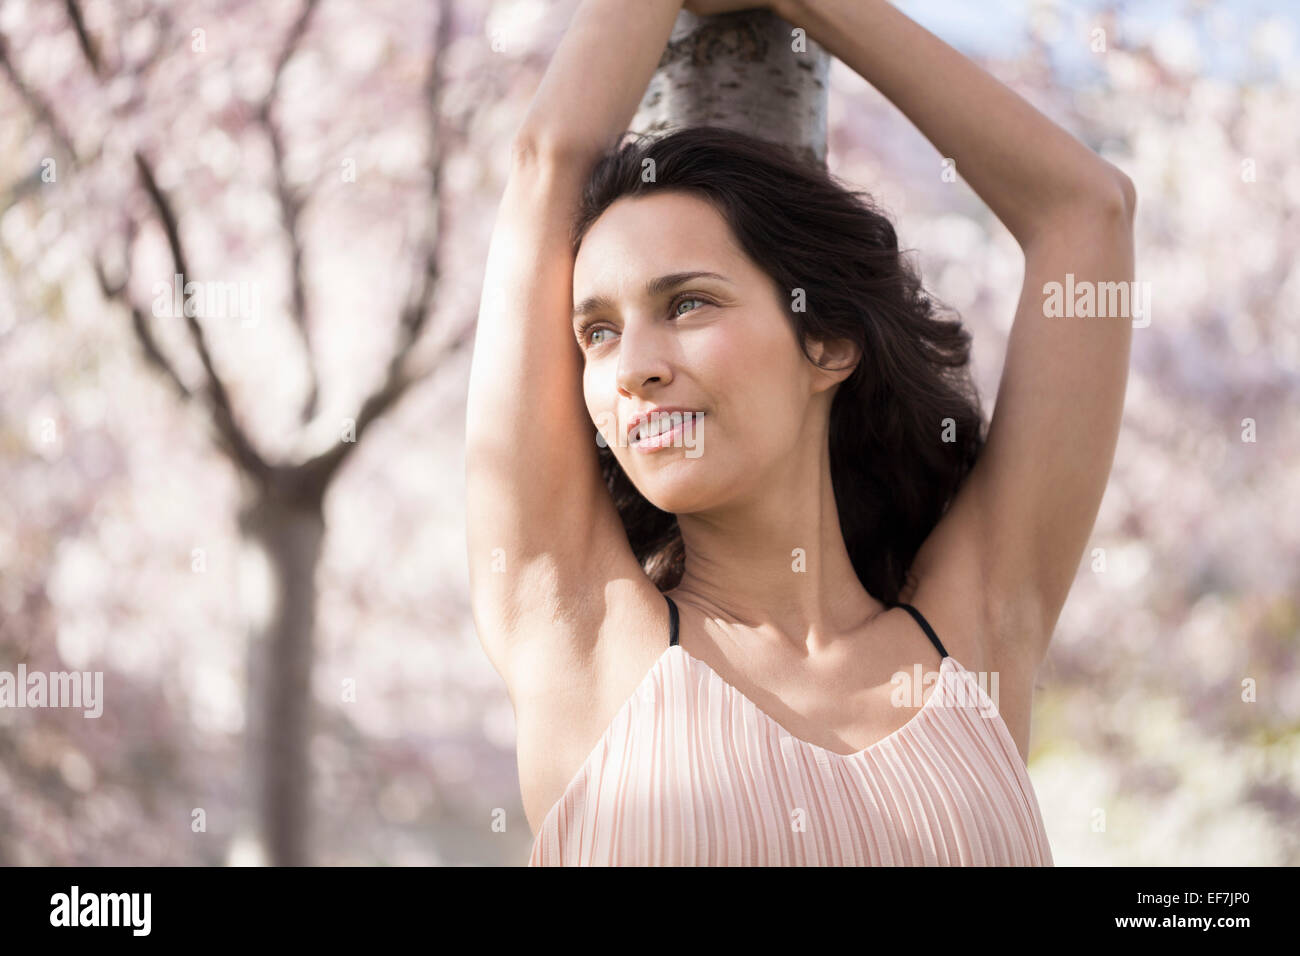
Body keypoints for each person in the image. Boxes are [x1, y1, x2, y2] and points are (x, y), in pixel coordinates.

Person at [465, 0, 1135, 866]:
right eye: (597, 331)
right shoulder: (580, 635)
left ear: (827, 341)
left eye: (688, 303)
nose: (632, 366)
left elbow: (1089, 211)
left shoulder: (973, 642)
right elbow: (545, 159)